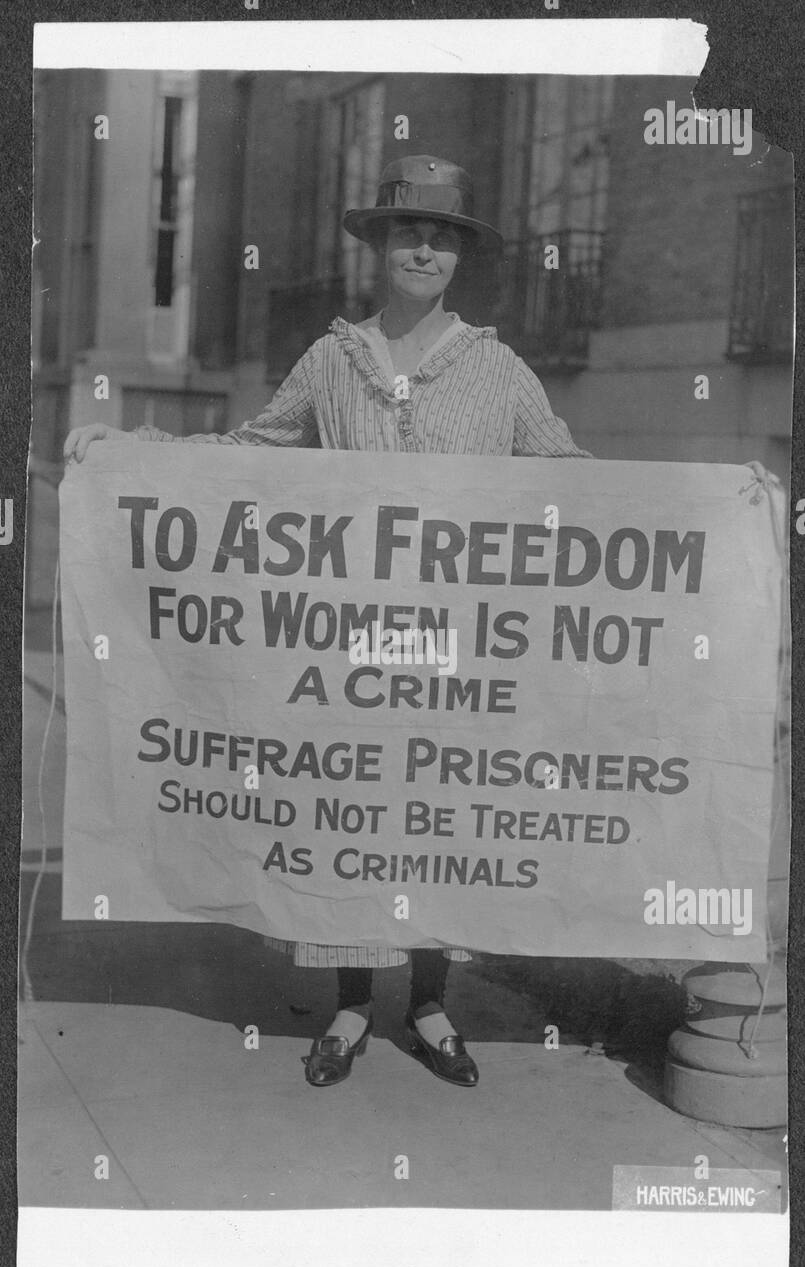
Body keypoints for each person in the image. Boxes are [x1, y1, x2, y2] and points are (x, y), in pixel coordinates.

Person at [64, 154, 592, 1090]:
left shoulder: (498, 369)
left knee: (434, 819)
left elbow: (569, 478)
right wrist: (132, 453)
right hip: (347, 646)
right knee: (353, 814)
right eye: (407, 232)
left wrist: (713, 504)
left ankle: (429, 1003)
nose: (423, 249)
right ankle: (353, 1002)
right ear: (379, 246)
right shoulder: (332, 358)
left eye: (441, 236)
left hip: (454, 649)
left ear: (459, 255)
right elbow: (250, 451)